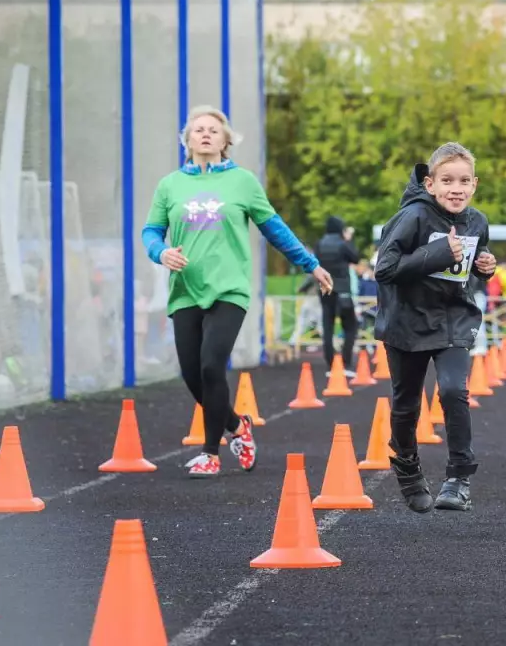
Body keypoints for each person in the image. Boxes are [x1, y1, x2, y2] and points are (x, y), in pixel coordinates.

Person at [142, 105, 332, 478]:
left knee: (212, 365)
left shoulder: (243, 182)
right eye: (198, 129)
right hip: (185, 291)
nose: (206, 134)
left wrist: (310, 263)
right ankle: (237, 426)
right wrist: (160, 252)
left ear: (226, 140)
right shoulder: (170, 186)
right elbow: (151, 231)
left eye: (214, 129)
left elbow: (274, 229)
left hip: (229, 289)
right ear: (188, 140)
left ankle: (210, 453)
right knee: (193, 375)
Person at [373, 142, 496, 513]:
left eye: (462, 181)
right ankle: (408, 470)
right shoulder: (411, 218)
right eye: (446, 180)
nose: (455, 188)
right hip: (407, 322)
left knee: (455, 390)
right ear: (430, 184)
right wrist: (441, 253)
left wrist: (483, 267)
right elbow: (385, 269)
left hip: (452, 319)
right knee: (407, 405)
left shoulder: (477, 221)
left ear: (474, 184)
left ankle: (459, 478)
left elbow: (466, 266)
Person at [314, 217, 361, 376]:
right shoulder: (342, 244)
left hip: (325, 286)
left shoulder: (319, 244)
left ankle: (331, 365)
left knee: (328, 326)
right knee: (350, 326)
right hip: (342, 288)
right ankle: (346, 364)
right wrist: (348, 240)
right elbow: (355, 257)